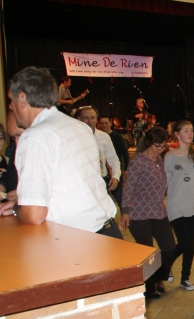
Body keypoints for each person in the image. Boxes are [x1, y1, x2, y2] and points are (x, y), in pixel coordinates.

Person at [1, 67, 121, 239]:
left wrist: (16, 208)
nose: (10, 106)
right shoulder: (78, 126)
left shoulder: (35, 136)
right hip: (108, 232)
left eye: (11, 100)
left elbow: (34, 215)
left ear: (22, 98)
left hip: (79, 240)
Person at [120, 127, 177, 299]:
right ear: (149, 143)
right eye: (157, 146)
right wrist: (125, 211)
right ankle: (149, 288)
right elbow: (129, 188)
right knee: (147, 253)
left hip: (158, 211)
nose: (160, 149)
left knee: (169, 247)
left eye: (163, 146)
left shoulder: (159, 160)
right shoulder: (138, 163)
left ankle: (159, 276)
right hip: (139, 214)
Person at [165, 120, 194, 291]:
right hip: (175, 205)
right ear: (177, 134)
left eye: (191, 130)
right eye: (186, 130)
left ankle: (185, 278)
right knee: (184, 242)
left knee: (191, 244)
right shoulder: (169, 156)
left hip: (192, 205)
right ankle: (165, 265)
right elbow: (165, 182)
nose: (190, 133)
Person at [74, 107, 121, 199]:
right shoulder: (74, 138)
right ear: (79, 119)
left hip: (101, 181)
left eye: (93, 117)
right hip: (82, 182)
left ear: (96, 119)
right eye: (86, 118)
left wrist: (115, 177)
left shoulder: (104, 137)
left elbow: (113, 159)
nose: (90, 121)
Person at [98, 116, 129, 207]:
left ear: (110, 123)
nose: (104, 125)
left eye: (106, 123)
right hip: (103, 172)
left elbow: (125, 153)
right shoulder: (97, 137)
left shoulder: (117, 137)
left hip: (115, 170)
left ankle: (125, 213)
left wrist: (126, 168)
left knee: (119, 196)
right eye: (102, 123)